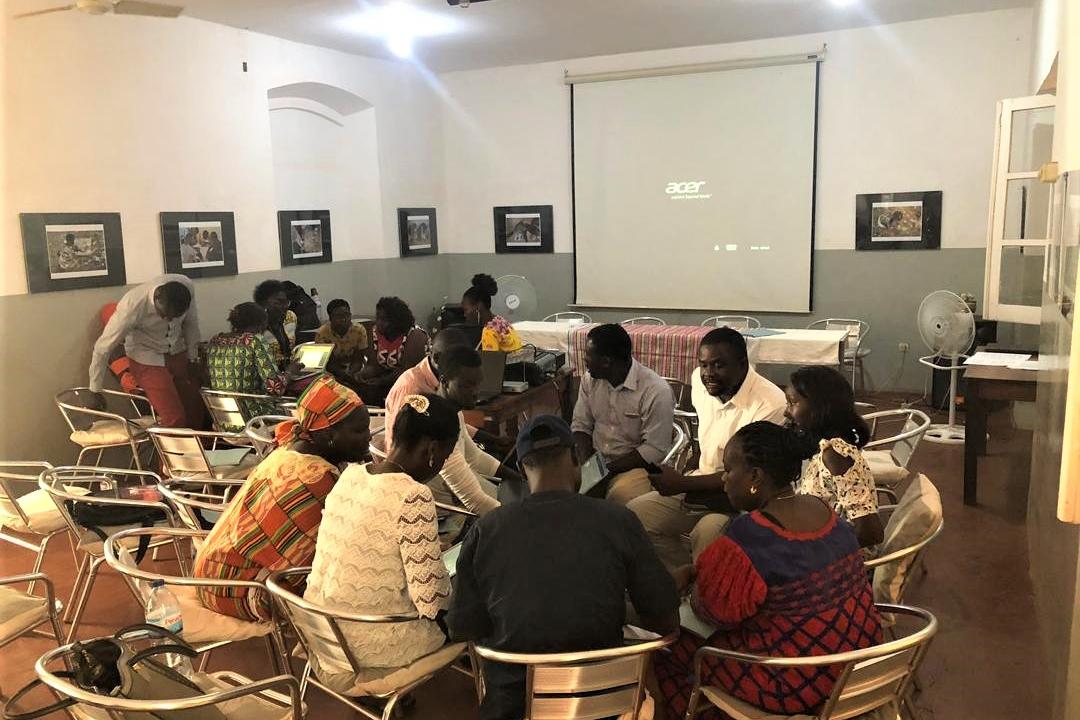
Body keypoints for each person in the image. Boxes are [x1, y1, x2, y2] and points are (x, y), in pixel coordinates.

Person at [449, 415, 680, 720]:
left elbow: (463, 626)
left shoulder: (486, 529)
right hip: (603, 705)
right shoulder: (619, 520)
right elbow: (666, 620)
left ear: (521, 468)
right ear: (575, 459)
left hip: (514, 708)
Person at [654, 421, 883, 719]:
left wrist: (689, 579)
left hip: (794, 681)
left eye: (728, 470)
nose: (724, 479)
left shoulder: (750, 535)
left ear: (755, 476)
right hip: (860, 660)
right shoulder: (823, 509)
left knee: (667, 650)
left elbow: (712, 613)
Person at [305, 393, 459, 686]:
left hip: (323, 634)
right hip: (370, 647)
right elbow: (431, 602)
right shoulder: (413, 495)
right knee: (472, 603)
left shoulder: (349, 476)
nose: (441, 464)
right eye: (445, 456)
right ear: (432, 449)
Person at [192, 375, 370, 621]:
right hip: (238, 590)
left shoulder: (288, 450)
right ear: (329, 434)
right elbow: (334, 554)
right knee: (355, 577)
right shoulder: (318, 480)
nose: (369, 437)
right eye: (360, 430)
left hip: (212, 571)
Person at [629, 328, 787, 570]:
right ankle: (688, 577)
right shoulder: (699, 380)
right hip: (700, 483)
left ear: (742, 364)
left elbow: (747, 477)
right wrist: (693, 463)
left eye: (718, 365)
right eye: (704, 365)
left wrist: (681, 483)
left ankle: (707, 589)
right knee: (635, 516)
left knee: (708, 530)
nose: (708, 374)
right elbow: (707, 431)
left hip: (741, 499)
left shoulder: (770, 403)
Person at [571, 323, 675, 505]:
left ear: (606, 361)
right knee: (559, 489)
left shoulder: (656, 391)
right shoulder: (590, 380)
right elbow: (581, 426)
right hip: (596, 460)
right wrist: (589, 469)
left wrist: (606, 471)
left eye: (588, 354)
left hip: (636, 467)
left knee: (619, 497)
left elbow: (654, 449)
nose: (584, 359)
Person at [786, 366, 885, 548]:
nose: (786, 412)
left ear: (820, 407)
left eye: (792, 403)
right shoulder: (825, 447)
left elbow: (871, 533)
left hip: (840, 558)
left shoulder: (835, 455)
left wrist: (813, 551)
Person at [89, 274, 203, 428]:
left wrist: (193, 358)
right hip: (146, 357)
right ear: (156, 298)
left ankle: (198, 444)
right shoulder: (132, 306)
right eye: (165, 316)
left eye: (175, 317)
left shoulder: (186, 286)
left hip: (177, 349)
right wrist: (95, 390)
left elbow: (191, 324)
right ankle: (172, 444)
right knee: (174, 418)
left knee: (195, 412)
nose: (170, 320)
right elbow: (102, 347)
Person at [430, 346, 522, 515]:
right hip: (449, 514)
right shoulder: (438, 426)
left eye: (478, 383)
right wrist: (519, 516)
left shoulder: (452, 412)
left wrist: (519, 479)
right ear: (445, 382)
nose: (476, 392)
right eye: (467, 385)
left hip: (461, 501)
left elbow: (474, 457)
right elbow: (473, 501)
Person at [205, 302, 304, 426]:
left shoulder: (215, 341)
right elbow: (275, 388)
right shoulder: (254, 341)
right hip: (255, 418)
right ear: (262, 323)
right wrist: (290, 371)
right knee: (305, 412)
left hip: (224, 420)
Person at [383, 327, 470, 450]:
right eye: (457, 363)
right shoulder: (411, 388)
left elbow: (460, 429)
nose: (462, 369)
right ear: (437, 359)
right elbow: (399, 447)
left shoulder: (444, 381)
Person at [358, 296, 428, 406]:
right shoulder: (375, 333)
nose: (378, 323)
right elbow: (374, 365)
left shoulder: (415, 335)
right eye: (378, 318)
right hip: (388, 379)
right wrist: (362, 375)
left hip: (413, 381)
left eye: (384, 320)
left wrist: (380, 381)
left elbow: (407, 371)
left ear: (397, 321)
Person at [461, 273, 522, 352]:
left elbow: (490, 359)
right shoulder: (501, 322)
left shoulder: (489, 331)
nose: (464, 314)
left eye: (466, 310)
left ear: (478, 306)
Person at [315, 299, 369, 374]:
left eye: (347, 315)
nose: (344, 319)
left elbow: (358, 359)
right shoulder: (322, 333)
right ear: (330, 318)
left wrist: (350, 374)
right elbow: (328, 363)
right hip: (330, 370)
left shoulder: (358, 330)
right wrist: (343, 376)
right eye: (338, 316)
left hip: (353, 368)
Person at [253, 279, 295, 366]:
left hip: (291, 368)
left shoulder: (290, 317)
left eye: (286, 302)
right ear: (263, 304)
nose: (285, 306)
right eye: (279, 302)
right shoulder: (255, 326)